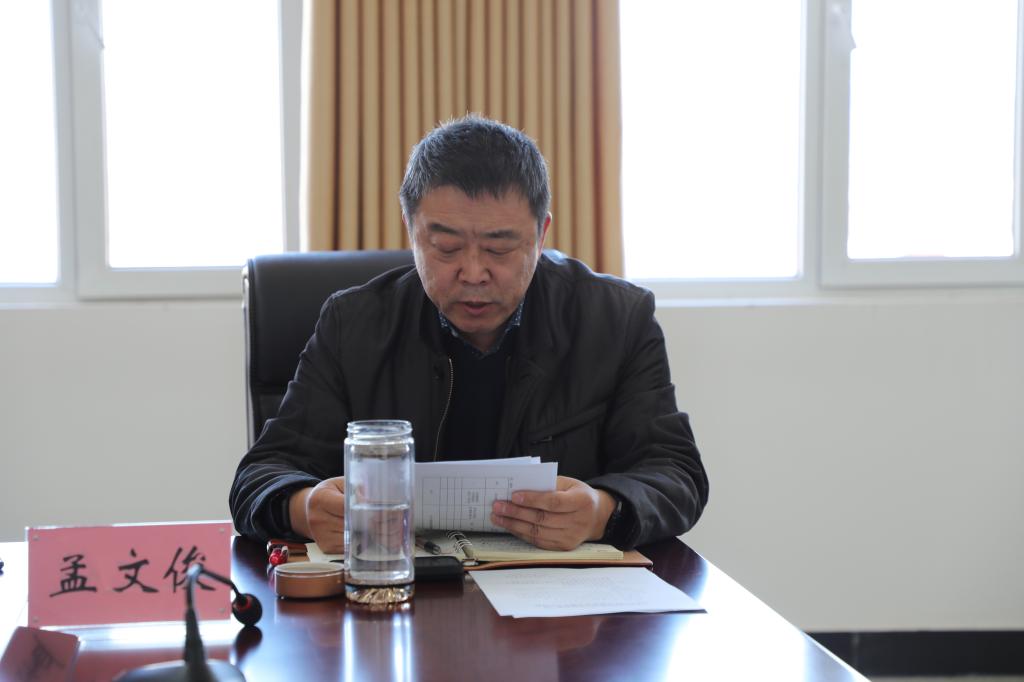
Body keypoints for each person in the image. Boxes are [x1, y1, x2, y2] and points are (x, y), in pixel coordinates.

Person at [229, 116, 708, 553]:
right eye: (446, 247)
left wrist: (603, 511)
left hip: (558, 601)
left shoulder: (616, 320)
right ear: (411, 230)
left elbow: (675, 473)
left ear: (541, 235)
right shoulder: (353, 324)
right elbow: (260, 475)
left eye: (500, 249)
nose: (474, 273)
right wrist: (304, 507)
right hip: (396, 589)